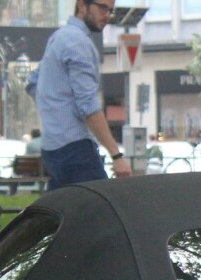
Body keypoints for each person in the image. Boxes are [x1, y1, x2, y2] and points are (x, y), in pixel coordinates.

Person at [27, 0, 130, 188]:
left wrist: (54, 111)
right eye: (102, 7)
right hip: (75, 147)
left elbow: (33, 83)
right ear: (82, 5)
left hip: (51, 147)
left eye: (110, 10)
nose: (107, 15)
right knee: (103, 212)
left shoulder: (59, 37)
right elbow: (88, 105)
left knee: (65, 213)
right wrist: (117, 155)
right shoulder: (79, 43)